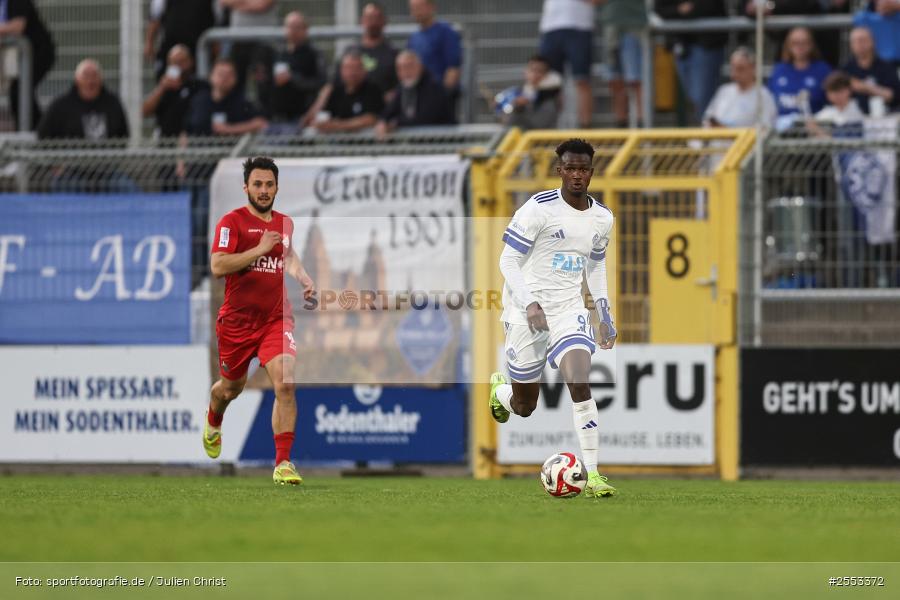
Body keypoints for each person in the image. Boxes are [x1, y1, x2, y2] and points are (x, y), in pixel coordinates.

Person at [489, 138, 618, 499]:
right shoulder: (537, 209)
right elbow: (507, 261)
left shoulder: (602, 217)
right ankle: (500, 391)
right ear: (560, 171)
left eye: (584, 169)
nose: (577, 176)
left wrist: (604, 314)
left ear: (591, 173)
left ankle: (592, 475)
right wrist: (529, 303)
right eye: (571, 169)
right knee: (525, 406)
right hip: (524, 312)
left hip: (568, 310)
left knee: (579, 381)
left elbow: (595, 264)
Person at [205, 156, 316, 485]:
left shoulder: (284, 223)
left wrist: (302, 275)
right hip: (237, 324)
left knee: (286, 383)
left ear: (277, 187)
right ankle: (214, 418)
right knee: (230, 388)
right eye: (257, 184)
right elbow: (218, 266)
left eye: (269, 184)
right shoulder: (231, 223)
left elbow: (287, 255)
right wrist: (257, 249)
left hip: (275, 320)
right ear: (246, 188)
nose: (264, 190)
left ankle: (283, 464)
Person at [654, 0, 728, 123]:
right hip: (681, 45)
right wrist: (679, 10)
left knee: (702, 98)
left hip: (707, 44)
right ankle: (703, 134)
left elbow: (711, 6)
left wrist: (688, 10)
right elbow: (660, 9)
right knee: (694, 98)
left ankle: (707, 137)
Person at [538, 0, 601, 128]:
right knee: (550, 82)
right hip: (550, 28)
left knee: (582, 80)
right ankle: (548, 129)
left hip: (580, 28)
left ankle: (585, 130)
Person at [38, 59, 129, 140]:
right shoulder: (59, 107)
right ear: (77, 80)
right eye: (86, 76)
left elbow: (124, 135)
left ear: (101, 79)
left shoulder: (113, 104)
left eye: (94, 75)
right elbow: (44, 136)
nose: (90, 81)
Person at [0, 0, 55, 130]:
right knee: (18, 92)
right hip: (19, 56)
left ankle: (35, 131)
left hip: (38, 53)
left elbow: (17, 26)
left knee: (19, 91)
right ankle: (39, 131)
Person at [266, 11, 326, 124]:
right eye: (290, 27)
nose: (293, 31)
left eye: (297, 27)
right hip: (278, 117)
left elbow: (321, 83)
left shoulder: (313, 54)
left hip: (303, 116)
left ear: (305, 30)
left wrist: (293, 78)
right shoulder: (278, 53)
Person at [376, 50, 454, 136]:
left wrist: (395, 123)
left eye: (409, 66)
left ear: (420, 66)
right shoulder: (402, 87)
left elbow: (423, 119)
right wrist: (383, 122)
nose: (405, 72)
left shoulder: (433, 88)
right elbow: (388, 112)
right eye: (400, 68)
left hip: (441, 141)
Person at [305, 51, 384, 134]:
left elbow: (371, 119)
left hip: (359, 135)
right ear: (341, 70)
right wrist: (321, 100)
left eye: (356, 68)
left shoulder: (372, 89)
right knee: (310, 132)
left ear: (364, 70)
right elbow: (312, 119)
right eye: (348, 68)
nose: (352, 72)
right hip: (335, 135)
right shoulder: (334, 90)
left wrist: (338, 125)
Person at [768, 27, 832, 128]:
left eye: (804, 42)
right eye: (795, 43)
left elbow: (832, 101)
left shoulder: (822, 70)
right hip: (780, 129)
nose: (800, 47)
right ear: (788, 45)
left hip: (814, 128)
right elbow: (770, 101)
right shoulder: (779, 70)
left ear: (811, 45)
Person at [183, 58, 267, 136]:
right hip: (198, 149)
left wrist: (229, 129)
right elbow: (186, 130)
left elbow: (261, 123)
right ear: (211, 76)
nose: (224, 79)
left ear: (235, 79)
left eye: (229, 75)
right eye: (220, 74)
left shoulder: (243, 101)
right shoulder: (199, 101)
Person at [598, 0, 647, 128]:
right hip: (611, 28)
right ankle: (621, 128)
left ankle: (643, 126)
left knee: (636, 80)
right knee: (615, 80)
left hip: (634, 28)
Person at [142, 45, 209, 137]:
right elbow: (145, 111)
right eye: (174, 63)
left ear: (191, 62)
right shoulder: (163, 88)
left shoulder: (199, 86)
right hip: (166, 140)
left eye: (182, 61)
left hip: (192, 140)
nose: (178, 66)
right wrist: (161, 88)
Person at [704, 47, 777, 129]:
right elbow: (707, 119)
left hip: (744, 140)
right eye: (733, 68)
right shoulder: (723, 90)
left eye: (740, 69)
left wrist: (727, 131)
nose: (735, 74)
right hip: (716, 139)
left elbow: (765, 128)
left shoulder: (763, 96)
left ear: (753, 68)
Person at [145, 0, 216, 81]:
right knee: (170, 80)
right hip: (171, 46)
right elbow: (155, 17)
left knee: (199, 80)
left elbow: (216, 20)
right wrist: (149, 43)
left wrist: (215, 50)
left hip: (199, 47)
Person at [220, 0, 278, 96]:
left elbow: (261, 5)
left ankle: (262, 110)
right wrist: (249, 3)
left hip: (263, 42)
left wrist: (237, 5)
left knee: (262, 84)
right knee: (232, 82)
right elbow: (224, 2)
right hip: (237, 40)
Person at [493, 55, 562, 130]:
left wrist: (520, 108)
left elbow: (539, 125)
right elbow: (502, 121)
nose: (535, 75)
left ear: (547, 75)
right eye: (532, 70)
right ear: (526, 71)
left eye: (540, 71)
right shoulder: (517, 92)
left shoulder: (551, 95)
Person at [842, 26, 900, 116]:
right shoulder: (845, 69)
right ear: (851, 45)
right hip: (852, 120)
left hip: (885, 118)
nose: (859, 44)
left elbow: (894, 96)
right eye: (855, 41)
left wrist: (865, 87)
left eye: (862, 40)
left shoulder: (886, 67)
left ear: (872, 42)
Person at [407, 0, 462, 95]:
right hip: (419, 95)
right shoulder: (414, 38)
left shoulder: (445, 32)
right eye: (413, 8)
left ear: (432, 7)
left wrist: (443, 96)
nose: (416, 11)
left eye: (419, 7)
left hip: (439, 95)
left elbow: (453, 68)